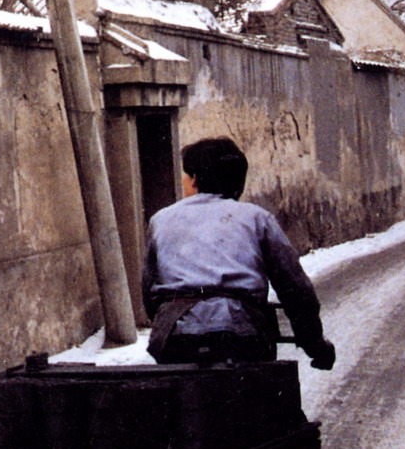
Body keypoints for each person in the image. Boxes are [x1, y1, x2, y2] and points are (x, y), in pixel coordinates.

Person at [141, 136, 335, 370]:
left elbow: (149, 291)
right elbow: (295, 289)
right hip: (242, 332)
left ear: (194, 179)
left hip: (177, 337)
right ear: (239, 181)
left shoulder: (161, 219)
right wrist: (314, 345)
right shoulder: (256, 218)